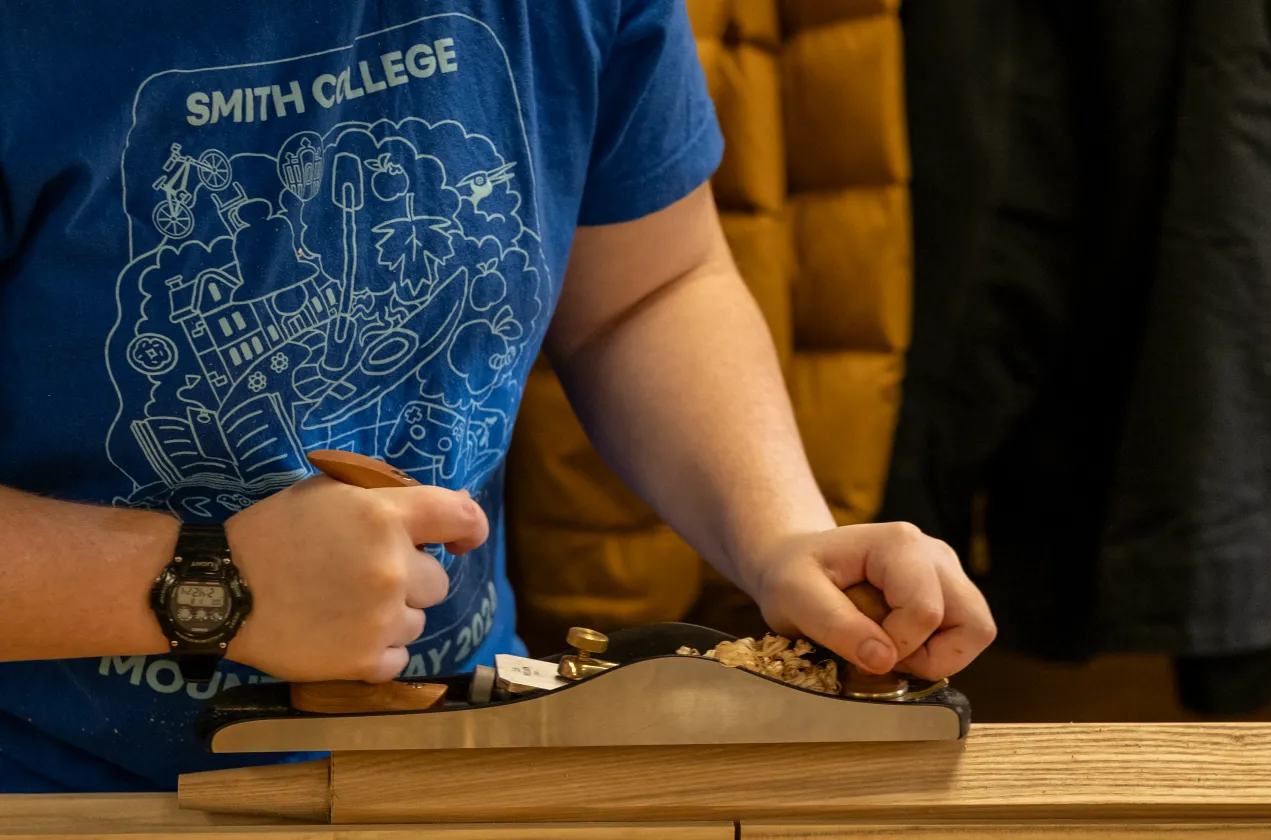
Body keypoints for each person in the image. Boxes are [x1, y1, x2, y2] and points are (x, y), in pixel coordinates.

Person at [0, 0, 997, 793]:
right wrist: (203, 582)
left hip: (454, 750)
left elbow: (648, 289)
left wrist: (777, 537)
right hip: (62, 789)